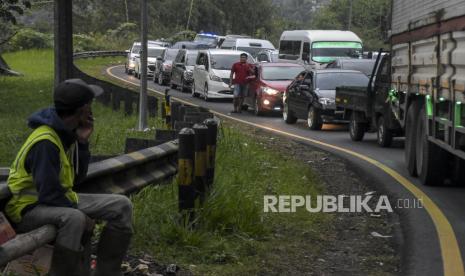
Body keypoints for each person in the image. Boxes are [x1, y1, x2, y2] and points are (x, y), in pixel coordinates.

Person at [5, 79, 133, 276]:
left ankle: (106, 272)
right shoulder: (46, 142)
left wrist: (82, 143)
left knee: (122, 206)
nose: (92, 110)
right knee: (74, 218)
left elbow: (77, 179)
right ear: (83, 110)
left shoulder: (64, 134)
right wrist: (83, 216)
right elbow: (49, 194)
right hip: (29, 209)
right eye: (90, 104)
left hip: (54, 201)